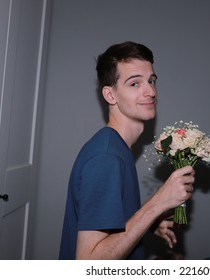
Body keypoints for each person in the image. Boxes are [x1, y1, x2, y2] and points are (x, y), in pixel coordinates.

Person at [59, 41, 195, 260]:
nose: (150, 91)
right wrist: (157, 203)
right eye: (134, 84)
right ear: (110, 95)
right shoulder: (106, 158)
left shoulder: (116, 148)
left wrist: (150, 223)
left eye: (151, 81)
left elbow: (110, 220)